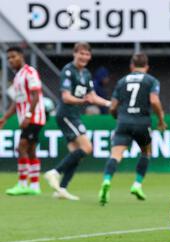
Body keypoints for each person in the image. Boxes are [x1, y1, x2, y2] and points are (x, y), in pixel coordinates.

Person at [44, 42, 111, 201]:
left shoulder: (86, 73)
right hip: (66, 114)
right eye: (81, 53)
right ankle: (54, 172)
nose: (84, 57)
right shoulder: (68, 71)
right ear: (74, 54)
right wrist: (82, 102)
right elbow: (66, 97)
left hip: (74, 115)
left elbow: (92, 96)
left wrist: (110, 104)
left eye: (87, 54)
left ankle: (62, 189)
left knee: (77, 154)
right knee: (87, 147)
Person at [98, 53, 167, 205]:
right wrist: (161, 119)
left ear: (131, 66)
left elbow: (113, 106)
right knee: (146, 152)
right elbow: (154, 101)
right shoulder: (151, 80)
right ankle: (137, 184)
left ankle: (107, 181)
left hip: (124, 121)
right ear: (147, 66)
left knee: (116, 155)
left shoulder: (122, 81)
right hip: (142, 122)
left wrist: (117, 116)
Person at [0, 46, 46, 196]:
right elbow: (17, 101)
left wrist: (27, 115)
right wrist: (5, 117)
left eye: (13, 56)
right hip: (28, 118)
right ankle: (34, 186)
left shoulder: (30, 72)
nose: (11, 60)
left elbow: (36, 95)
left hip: (34, 118)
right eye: (8, 58)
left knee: (21, 148)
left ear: (21, 56)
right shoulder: (18, 77)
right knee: (31, 151)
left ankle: (22, 184)